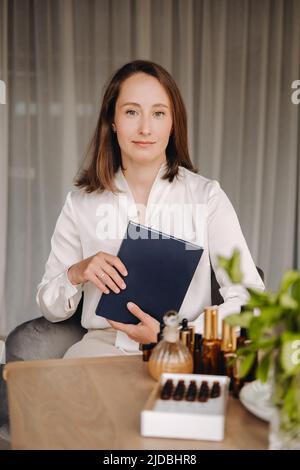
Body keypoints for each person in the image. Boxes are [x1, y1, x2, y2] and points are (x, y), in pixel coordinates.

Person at [36, 60, 264, 359]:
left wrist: (176, 334)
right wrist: (76, 272)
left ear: (173, 123)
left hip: (183, 347)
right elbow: (50, 307)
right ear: (113, 120)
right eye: (131, 112)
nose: (145, 128)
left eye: (158, 113)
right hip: (103, 347)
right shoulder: (81, 203)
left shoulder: (207, 197)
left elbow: (251, 298)